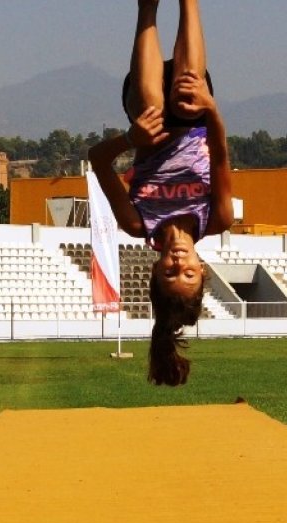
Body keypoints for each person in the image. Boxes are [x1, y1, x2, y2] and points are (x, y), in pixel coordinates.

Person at [88, 0, 233, 386]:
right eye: (188, 272)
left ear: (156, 270)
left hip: (143, 104)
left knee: (152, 105)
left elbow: (98, 161)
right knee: (185, 104)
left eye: (171, 272)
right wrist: (213, 109)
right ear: (202, 272)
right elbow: (219, 156)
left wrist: (130, 138)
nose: (180, 262)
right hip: (196, 104)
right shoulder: (217, 219)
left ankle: (146, 8)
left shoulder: (137, 222)